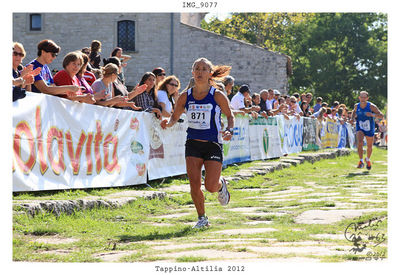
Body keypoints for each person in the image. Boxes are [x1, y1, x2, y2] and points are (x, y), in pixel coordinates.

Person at [160, 57, 234, 229]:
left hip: (212, 144)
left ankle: (221, 184)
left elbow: (230, 116)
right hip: (192, 143)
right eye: (197, 69)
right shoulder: (185, 96)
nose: (200, 72)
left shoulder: (217, 95)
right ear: (192, 72)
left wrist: (230, 129)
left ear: (210, 73)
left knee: (210, 186)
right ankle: (202, 218)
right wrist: (168, 123)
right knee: (194, 184)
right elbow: (175, 116)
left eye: (203, 69)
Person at [351, 91, 384, 170]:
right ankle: (361, 160)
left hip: (370, 128)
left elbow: (381, 115)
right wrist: (352, 119)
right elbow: (354, 112)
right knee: (360, 142)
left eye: (364, 97)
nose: (362, 99)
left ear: (367, 98)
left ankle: (368, 159)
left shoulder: (371, 106)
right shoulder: (356, 106)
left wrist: (372, 115)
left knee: (369, 146)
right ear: (359, 97)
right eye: (361, 97)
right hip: (360, 126)